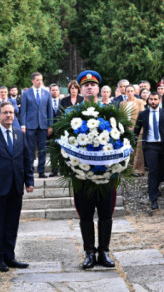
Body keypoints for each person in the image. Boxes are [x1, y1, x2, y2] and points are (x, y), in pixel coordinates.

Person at [0, 101, 35, 272]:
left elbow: (26, 159)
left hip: (16, 187)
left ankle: (10, 257)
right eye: (5, 113)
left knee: (12, 223)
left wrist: (29, 181)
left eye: (11, 112)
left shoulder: (19, 134)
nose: (9, 115)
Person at [73, 70, 117, 269]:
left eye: (93, 84)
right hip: (82, 175)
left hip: (106, 174)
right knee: (86, 215)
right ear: (80, 90)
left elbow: (120, 139)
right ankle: (89, 252)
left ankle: (104, 252)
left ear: (99, 88)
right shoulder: (72, 114)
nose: (89, 87)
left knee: (106, 214)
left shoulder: (110, 111)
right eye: (85, 85)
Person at [134, 92, 164, 210]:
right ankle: (153, 199)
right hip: (150, 146)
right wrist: (131, 143)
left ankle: (154, 187)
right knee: (153, 171)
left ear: (159, 100)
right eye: (151, 99)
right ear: (148, 101)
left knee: (163, 170)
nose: (153, 102)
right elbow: (136, 130)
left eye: (155, 99)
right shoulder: (143, 114)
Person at [20, 72, 54, 178]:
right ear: (32, 81)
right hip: (30, 125)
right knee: (30, 150)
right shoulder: (26, 93)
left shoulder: (46, 93)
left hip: (43, 125)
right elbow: (23, 110)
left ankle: (41, 171)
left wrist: (50, 125)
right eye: (37, 80)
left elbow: (49, 110)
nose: (40, 82)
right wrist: (23, 125)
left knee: (42, 149)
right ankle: (29, 171)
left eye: (41, 79)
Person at [121, 85, 145, 176]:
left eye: (131, 91)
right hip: (126, 129)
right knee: (128, 149)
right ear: (125, 92)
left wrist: (137, 127)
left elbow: (142, 115)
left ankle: (138, 170)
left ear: (135, 92)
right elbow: (121, 116)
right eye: (128, 91)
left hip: (138, 129)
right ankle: (129, 169)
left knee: (138, 150)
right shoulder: (122, 103)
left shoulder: (139, 102)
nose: (130, 93)